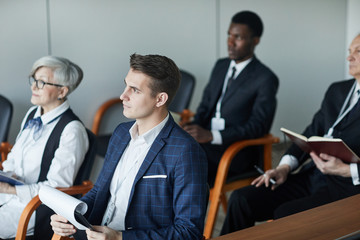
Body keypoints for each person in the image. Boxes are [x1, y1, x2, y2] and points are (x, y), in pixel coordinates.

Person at [50, 53, 208, 240]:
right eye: (126, 85)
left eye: (135, 90)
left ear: (160, 99)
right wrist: (72, 215)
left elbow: (189, 231)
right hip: (97, 233)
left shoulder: (185, 151)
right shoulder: (121, 133)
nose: (123, 96)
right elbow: (99, 191)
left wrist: (120, 238)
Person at [220, 33, 360, 235]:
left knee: (285, 215)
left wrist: (347, 170)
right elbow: (312, 133)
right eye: (349, 51)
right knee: (242, 199)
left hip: (348, 189)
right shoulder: (337, 90)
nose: (349, 57)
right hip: (313, 174)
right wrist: (285, 168)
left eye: (358, 51)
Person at [183, 11, 279, 185]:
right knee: (170, 148)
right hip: (207, 142)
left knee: (183, 161)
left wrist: (213, 135)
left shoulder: (265, 78)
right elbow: (205, 106)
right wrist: (193, 127)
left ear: (255, 40)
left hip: (236, 151)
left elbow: (258, 126)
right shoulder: (221, 65)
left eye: (238, 37)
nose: (230, 42)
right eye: (229, 35)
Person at [0, 56, 89, 239]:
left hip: (35, 209)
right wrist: (6, 176)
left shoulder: (72, 130)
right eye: (34, 80)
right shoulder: (34, 113)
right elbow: (14, 156)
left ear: (62, 91)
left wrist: (11, 190)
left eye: (41, 82)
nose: (33, 87)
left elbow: (56, 188)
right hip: (8, 195)